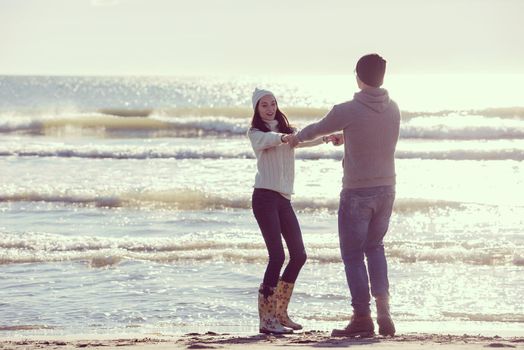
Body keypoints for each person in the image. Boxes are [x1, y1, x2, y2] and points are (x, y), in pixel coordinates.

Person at [288, 54, 400, 337]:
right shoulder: (393, 108)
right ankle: (384, 313)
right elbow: (377, 136)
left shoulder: (348, 109)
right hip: (387, 189)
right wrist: (347, 137)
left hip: (357, 191)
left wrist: (294, 138)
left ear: (358, 77)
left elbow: (317, 129)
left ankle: (362, 317)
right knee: (375, 248)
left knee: (352, 255)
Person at [248, 88, 335, 334]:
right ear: (256, 108)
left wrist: (328, 137)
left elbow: (303, 139)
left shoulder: (287, 132)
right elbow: (268, 141)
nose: (269, 108)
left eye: (273, 103)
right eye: (264, 104)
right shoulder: (256, 133)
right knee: (276, 256)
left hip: (283, 200)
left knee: (299, 255)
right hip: (264, 197)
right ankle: (266, 321)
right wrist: (286, 138)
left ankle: (280, 313)